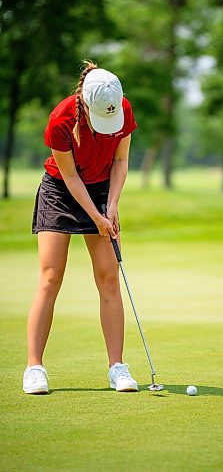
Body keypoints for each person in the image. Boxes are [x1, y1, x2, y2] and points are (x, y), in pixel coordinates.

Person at [23, 61, 139, 394]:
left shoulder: (121, 107)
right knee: (50, 276)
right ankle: (34, 368)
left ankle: (117, 366)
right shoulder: (61, 118)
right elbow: (71, 176)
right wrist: (96, 217)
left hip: (103, 189)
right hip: (61, 190)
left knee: (108, 275)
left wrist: (112, 206)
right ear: (85, 104)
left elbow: (120, 161)